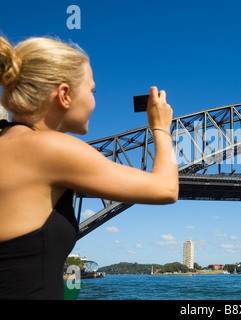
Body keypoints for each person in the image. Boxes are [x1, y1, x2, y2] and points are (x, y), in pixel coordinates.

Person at [0, 36, 178, 299]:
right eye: (92, 91)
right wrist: (161, 127)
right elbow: (166, 188)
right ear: (64, 95)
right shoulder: (50, 148)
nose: (95, 101)